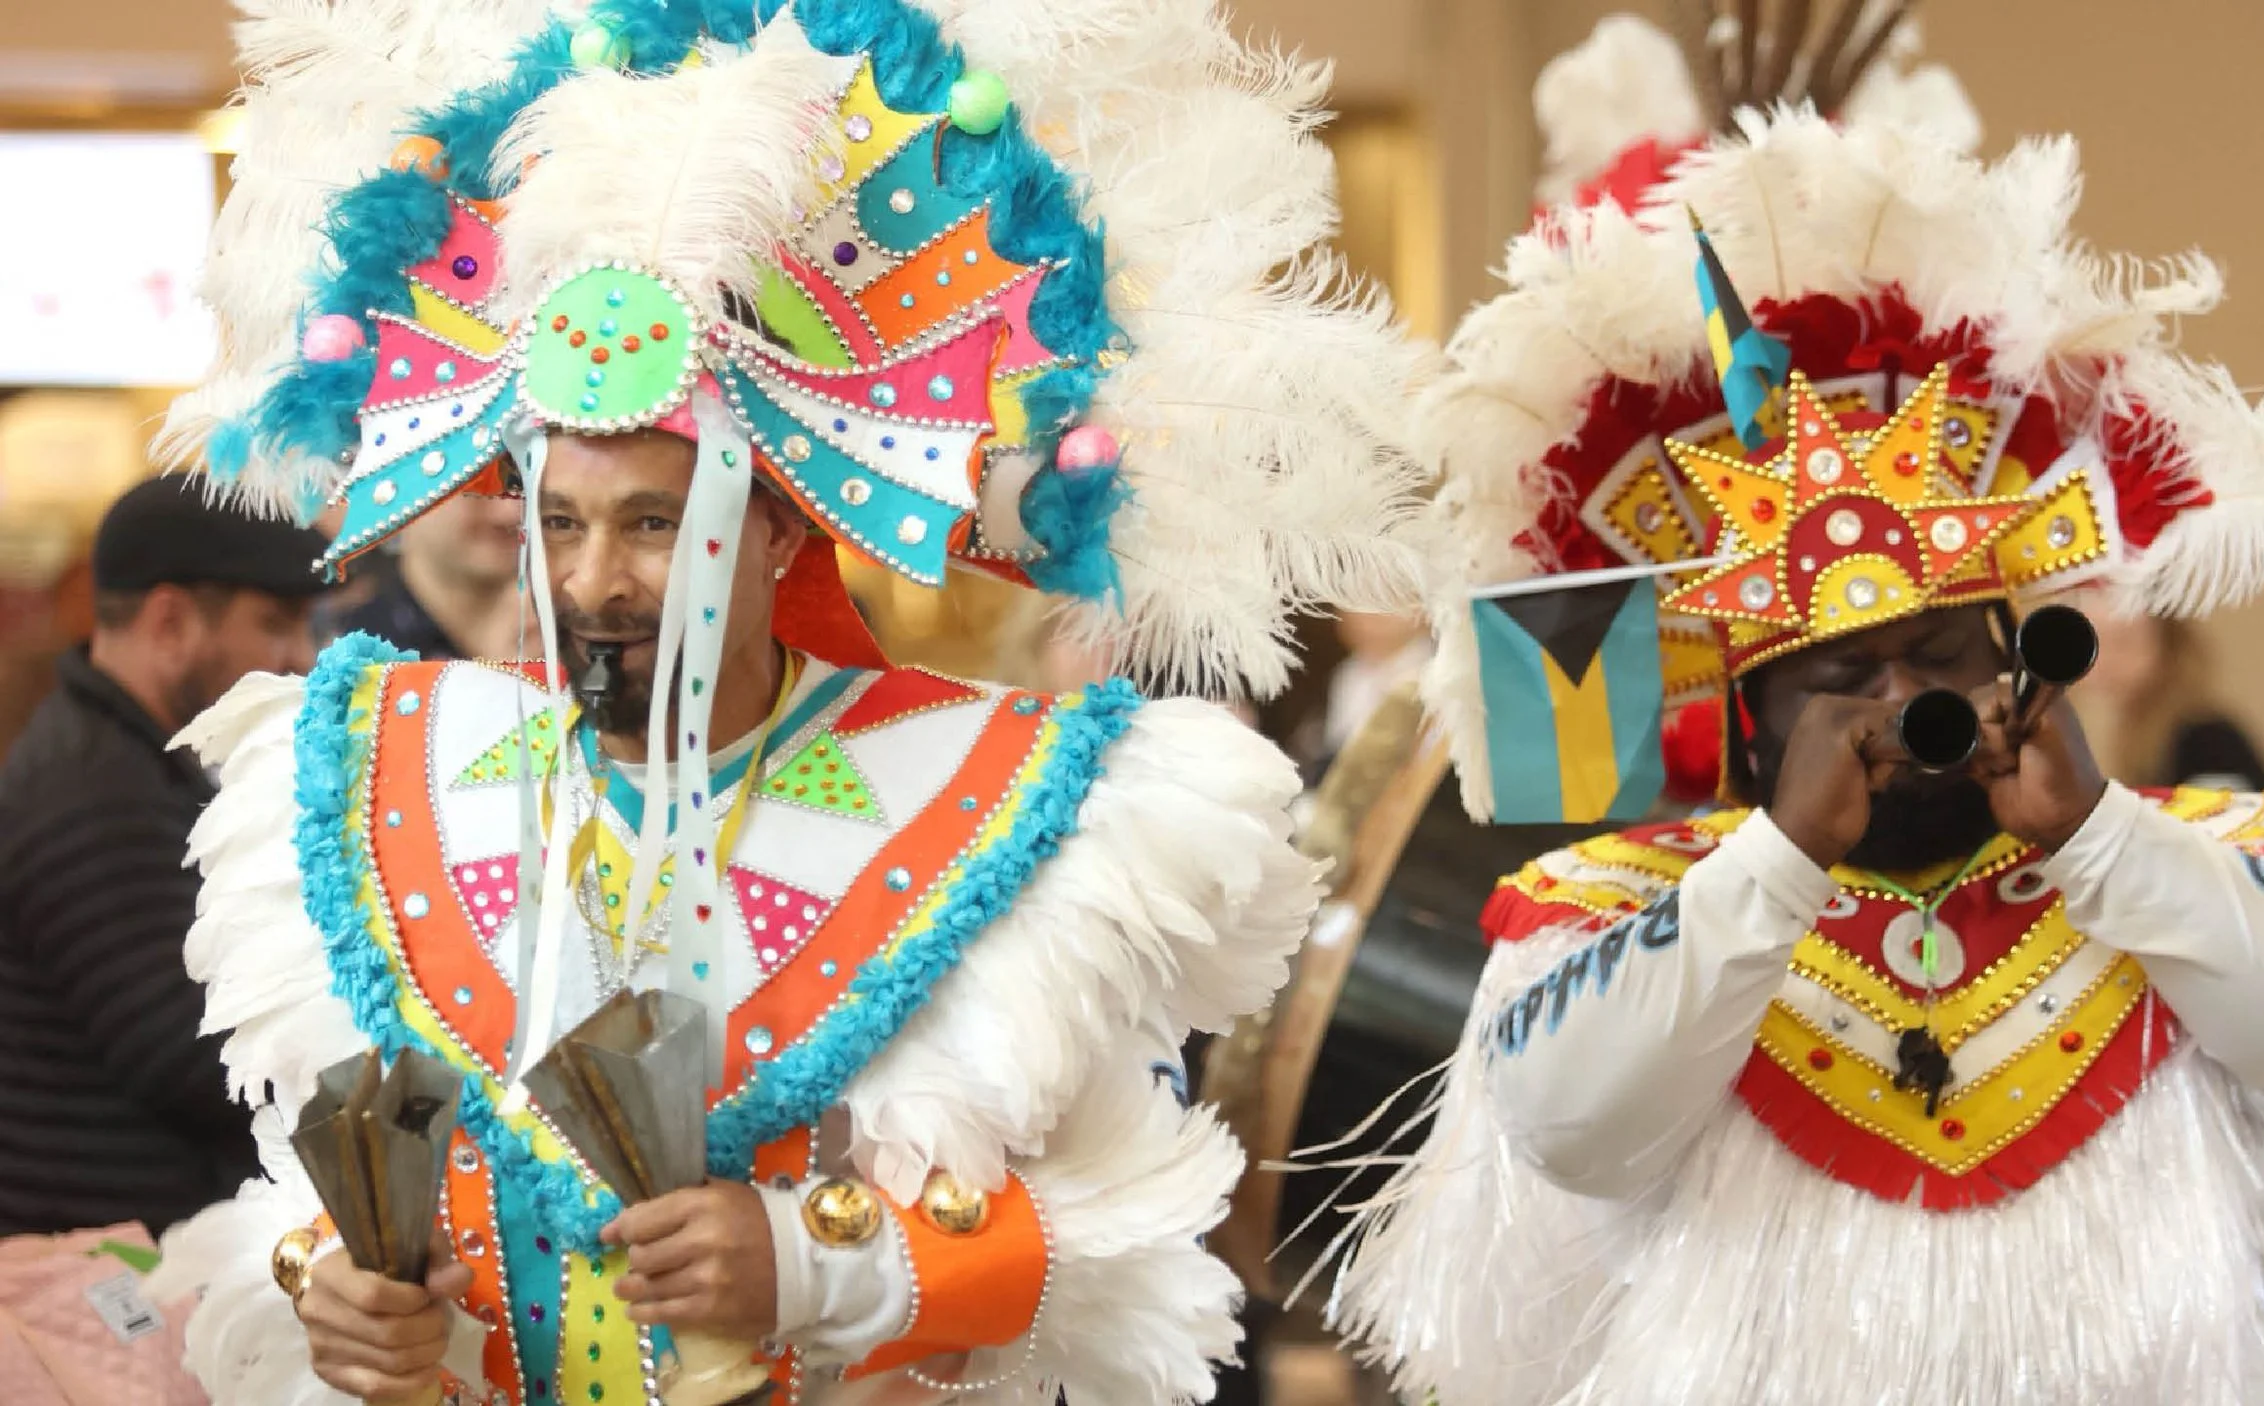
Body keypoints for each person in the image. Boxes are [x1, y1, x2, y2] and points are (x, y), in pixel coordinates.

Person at [144, 3, 1426, 1403]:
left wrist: (823, 1261)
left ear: (773, 533)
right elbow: (325, 1187)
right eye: (558, 524)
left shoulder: (970, 789)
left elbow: (1126, 1227)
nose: (594, 582)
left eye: (651, 525)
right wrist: (339, 1293)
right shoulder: (392, 771)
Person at [1328, 16, 2264, 1405]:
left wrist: (2093, 836)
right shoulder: (1610, 913)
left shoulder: (2188, 860)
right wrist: (1778, 863)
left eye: (1940, 652)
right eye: (1837, 675)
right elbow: (1573, 1128)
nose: (1901, 701)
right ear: (1742, 717)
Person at [0, 473, 328, 1239]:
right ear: (172, 619)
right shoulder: (91, 792)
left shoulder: (124, 759)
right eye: (277, 623)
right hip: (110, 1282)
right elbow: (189, 1059)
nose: (303, 658)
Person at [2071, 591, 2264, 793]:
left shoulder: (2206, 740)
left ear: (2168, 646)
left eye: (2123, 644)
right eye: (2092, 647)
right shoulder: (2119, 736)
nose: (2103, 664)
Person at [327, 490, 530, 660]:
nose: (512, 513)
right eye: (478, 487)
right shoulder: (353, 661)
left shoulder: (554, 637)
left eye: (525, 484)